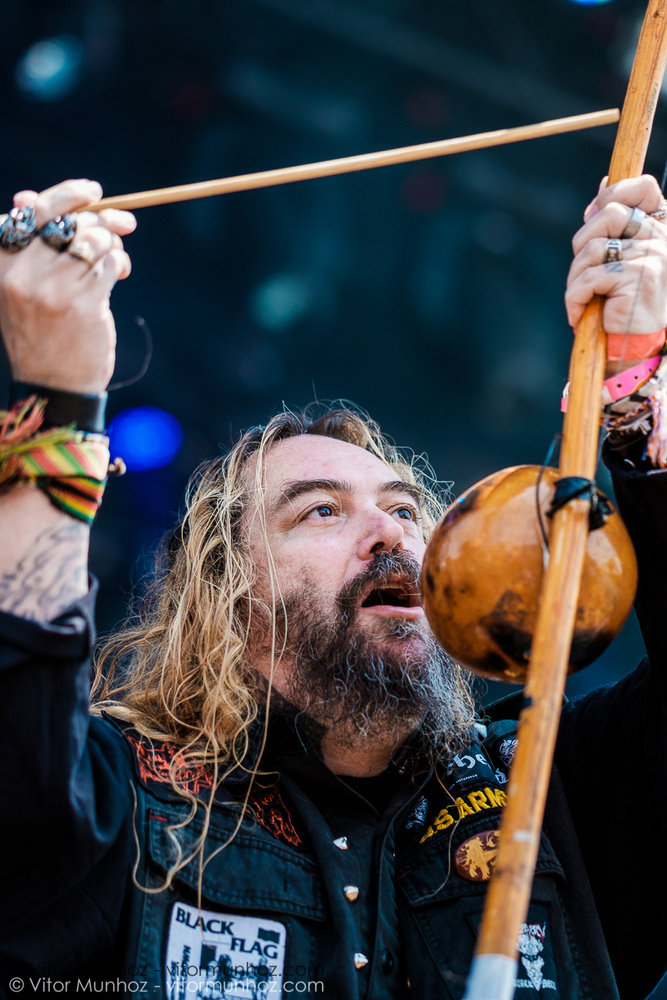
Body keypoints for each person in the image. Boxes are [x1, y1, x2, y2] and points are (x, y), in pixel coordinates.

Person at [0, 175, 667, 1000]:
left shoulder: (545, 791)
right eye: (320, 511)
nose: (392, 532)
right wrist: (58, 396)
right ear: (225, 592)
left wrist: (636, 386)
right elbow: (17, 731)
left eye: (403, 508)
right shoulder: (125, 801)